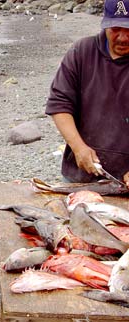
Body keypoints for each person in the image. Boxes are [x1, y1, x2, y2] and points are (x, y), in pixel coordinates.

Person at [46, 0, 129, 185]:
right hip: (79, 174)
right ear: (105, 24)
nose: (123, 37)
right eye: (115, 29)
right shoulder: (82, 51)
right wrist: (78, 147)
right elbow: (59, 104)